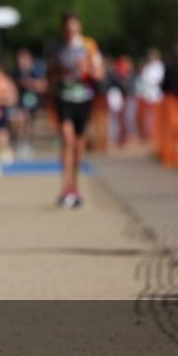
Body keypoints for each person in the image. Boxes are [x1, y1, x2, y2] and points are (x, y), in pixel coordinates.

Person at [50, 11, 104, 208]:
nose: (70, 31)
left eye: (74, 27)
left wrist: (87, 69)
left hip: (84, 99)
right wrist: (59, 73)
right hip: (64, 98)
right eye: (67, 28)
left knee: (79, 144)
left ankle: (76, 186)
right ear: (63, 29)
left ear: (79, 27)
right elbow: (51, 73)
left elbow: (99, 74)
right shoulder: (58, 48)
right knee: (67, 139)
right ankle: (65, 188)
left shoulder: (89, 46)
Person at [12, 48, 47, 158]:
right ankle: (19, 143)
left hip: (33, 102)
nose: (22, 62)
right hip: (19, 103)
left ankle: (26, 144)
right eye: (20, 59)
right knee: (21, 119)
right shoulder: (16, 73)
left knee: (28, 122)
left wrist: (31, 84)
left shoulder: (36, 71)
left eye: (24, 59)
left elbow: (43, 86)